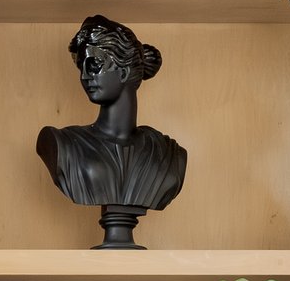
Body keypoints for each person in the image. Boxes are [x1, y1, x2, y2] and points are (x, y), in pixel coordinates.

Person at [36, 15, 187, 246]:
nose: (84, 76)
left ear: (124, 71)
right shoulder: (62, 143)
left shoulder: (168, 154)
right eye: (81, 66)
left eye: (94, 64)